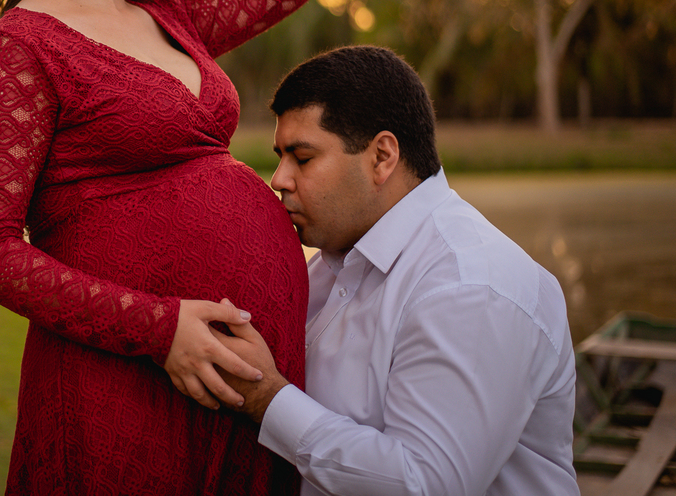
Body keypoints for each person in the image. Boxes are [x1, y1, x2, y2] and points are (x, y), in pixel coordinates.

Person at [0, 0, 329, 494]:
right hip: (124, 377)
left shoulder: (172, 18)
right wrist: (159, 328)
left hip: (246, 384)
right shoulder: (20, 46)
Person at [214, 45, 580, 496]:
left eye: (302, 158)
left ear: (382, 157)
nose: (279, 179)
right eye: (280, 157)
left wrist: (267, 399)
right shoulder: (330, 266)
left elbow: (424, 484)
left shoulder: (471, 285)